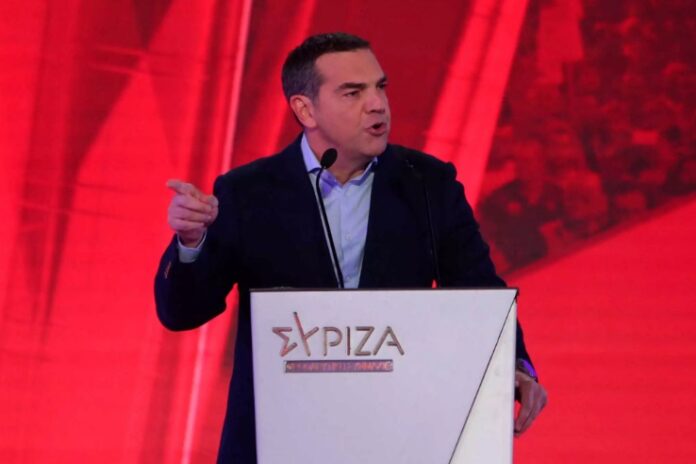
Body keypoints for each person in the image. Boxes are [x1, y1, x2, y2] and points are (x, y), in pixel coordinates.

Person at [155, 32, 547, 463]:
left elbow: (479, 291)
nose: (377, 104)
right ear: (305, 109)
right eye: (353, 92)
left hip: (397, 439)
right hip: (278, 441)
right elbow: (182, 313)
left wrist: (515, 366)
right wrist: (191, 243)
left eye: (380, 87)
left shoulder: (428, 184)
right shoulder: (248, 192)